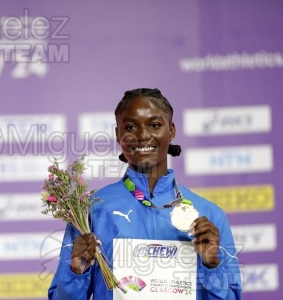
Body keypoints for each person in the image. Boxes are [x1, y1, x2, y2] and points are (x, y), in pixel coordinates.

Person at [48, 88, 242, 299]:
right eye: (130, 127)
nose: (142, 135)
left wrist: (212, 265)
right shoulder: (91, 212)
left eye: (155, 125)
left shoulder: (209, 214)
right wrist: (76, 271)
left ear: (172, 130)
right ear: (117, 135)